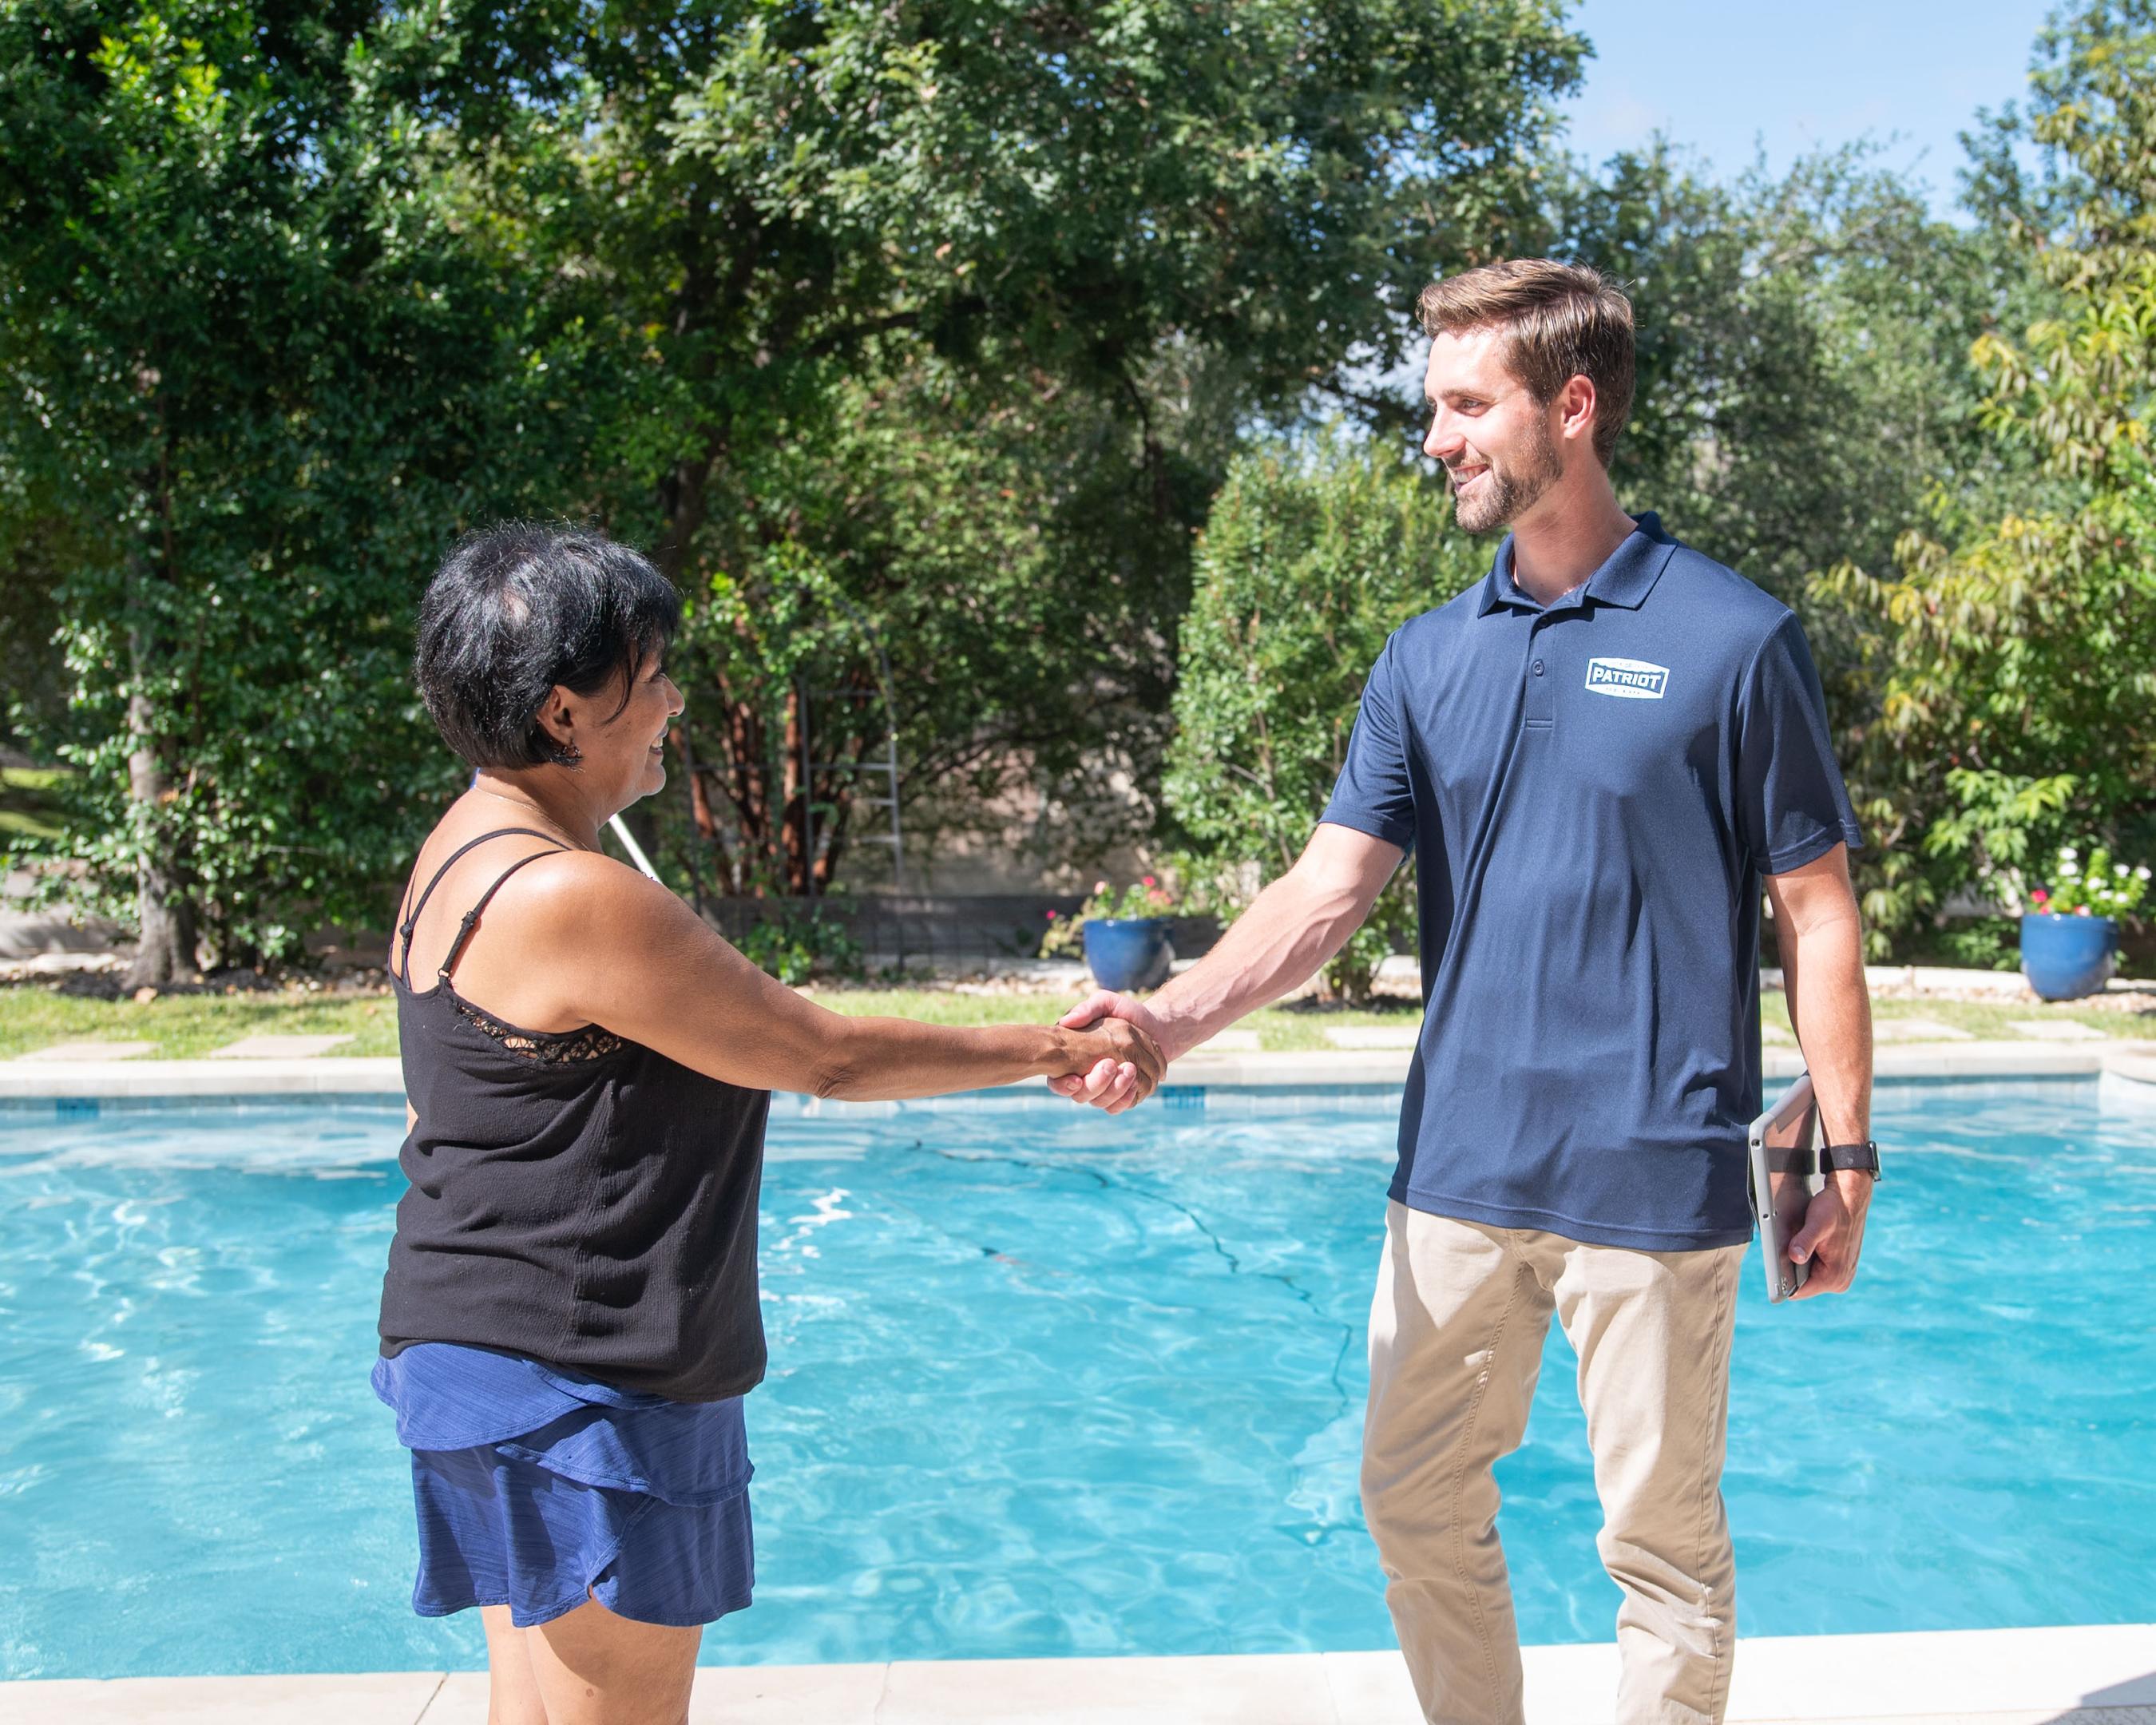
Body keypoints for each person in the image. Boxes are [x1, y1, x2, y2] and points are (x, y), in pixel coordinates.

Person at [1053, 260, 1877, 1725]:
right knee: (1410, 1500)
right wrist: (1171, 1022)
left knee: (1662, 1553)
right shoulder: (1427, 658)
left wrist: (1850, 1152)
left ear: (1568, 407)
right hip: (1457, 1168)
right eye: (1431, 404)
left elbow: (1815, 909)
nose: (1434, 436)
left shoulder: (1733, 639)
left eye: (1461, 404)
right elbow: (1326, 893)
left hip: (1655, 1166)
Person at [374, 523, 1163, 1725]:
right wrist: (1059, 1047)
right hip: (584, 1379)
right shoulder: (572, 893)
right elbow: (826, 1057)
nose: (674, 701)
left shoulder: (460, 849)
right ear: (563, 714)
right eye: (650, 678)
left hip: (478, 1349)